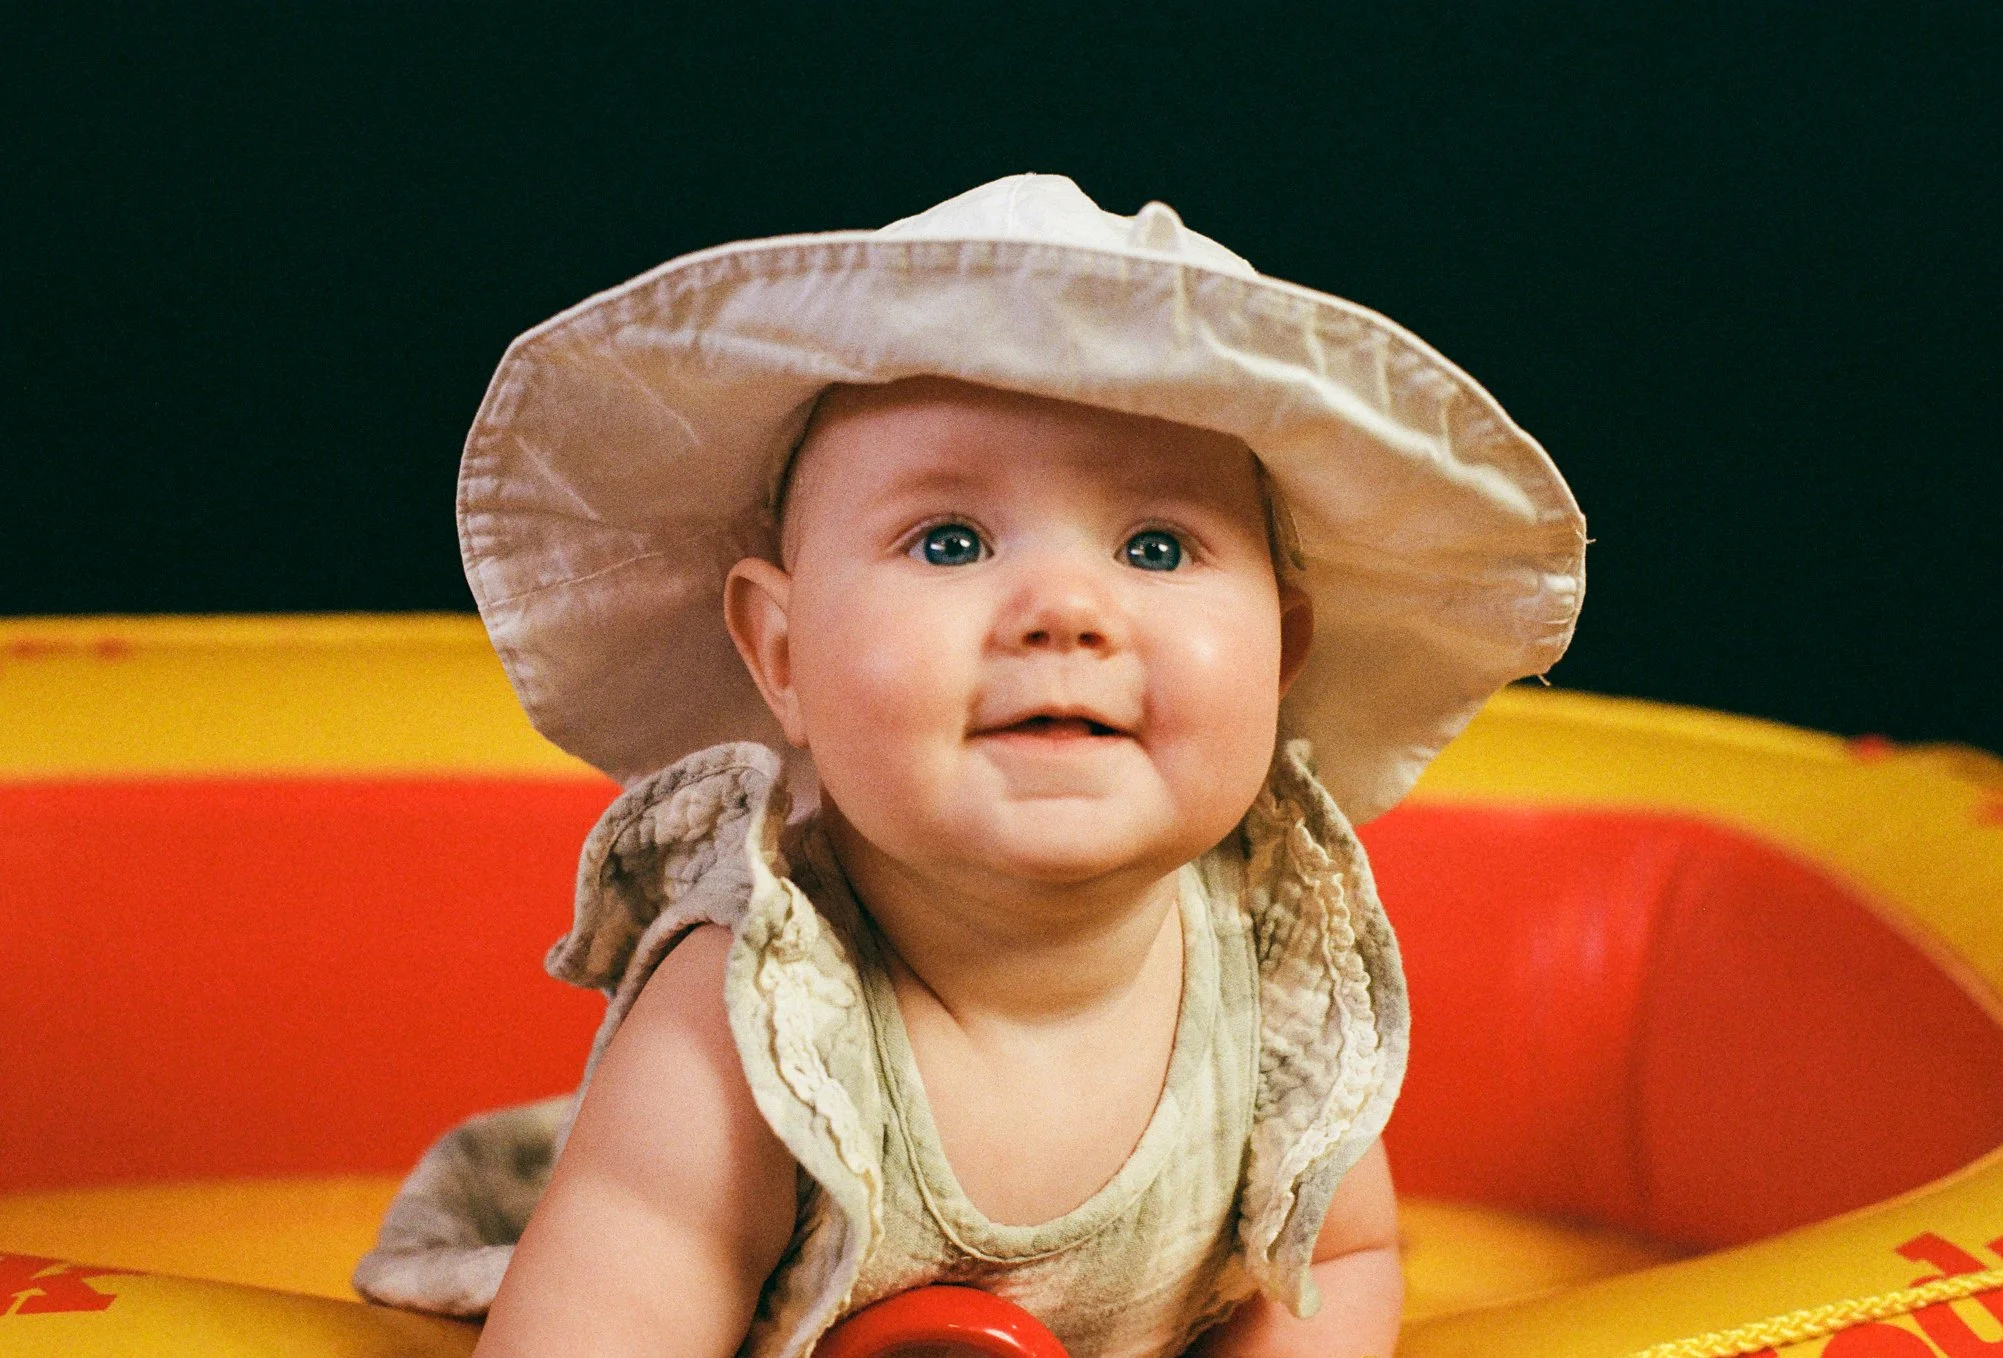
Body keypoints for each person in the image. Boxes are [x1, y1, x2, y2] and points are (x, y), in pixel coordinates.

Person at [353, 174, 1586, 1358]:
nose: (1062, 609)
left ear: (1283, 657)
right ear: (779, 653)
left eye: (1156, 545)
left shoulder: (1265, 971)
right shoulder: (754, 1021)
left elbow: (1345, 1259)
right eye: (948, 541)